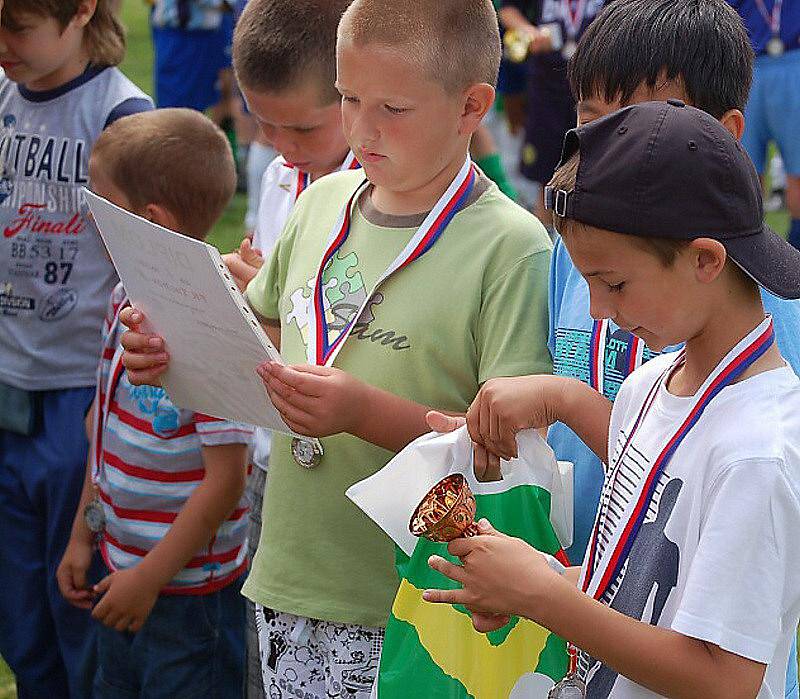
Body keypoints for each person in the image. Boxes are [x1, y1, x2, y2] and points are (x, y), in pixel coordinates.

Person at [119, 1, 555, 695]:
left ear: (472, 105)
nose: (360, 127)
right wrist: (173, 349)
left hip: (408, 597)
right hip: (291, 573)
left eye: (393, 108)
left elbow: (508, 448)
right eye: (349, 98)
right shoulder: (322, 201)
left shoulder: (511, 247)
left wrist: (361, 410)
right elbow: (265, 336)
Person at [424, 99, 800, 698]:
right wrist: (537, 580)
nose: (598, 310)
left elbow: (724, 678)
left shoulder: (757, 453)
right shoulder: (648, 388)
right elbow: (637, 589)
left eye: (615, 283)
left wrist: (542, 597)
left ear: (706, 259)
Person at [56, 108, 251, 698]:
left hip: (190, 602)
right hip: (121, 570)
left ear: (147, 221)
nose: (91, 218)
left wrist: (149, 579)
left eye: (102, 206)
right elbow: (105, 426)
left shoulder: (208, 324)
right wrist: (83, 535)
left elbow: (227, 479)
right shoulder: (125, 300)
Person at [0, 1, 152, 696]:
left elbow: (148, 271)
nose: (3, 45)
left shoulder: (120, 116)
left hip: (80, 399)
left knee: (78, 596)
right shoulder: (3, 98)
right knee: (18, 607)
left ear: (81, 10)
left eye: (18, 26)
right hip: (8, 382)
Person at [224, 1, 356, 694]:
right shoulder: (282, 176)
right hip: (270, 457)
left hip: (346, 477)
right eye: (259, 122)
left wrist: (266, 303)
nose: (280, 145)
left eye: (302, 125)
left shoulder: (378, 192)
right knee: (269, 662)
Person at [498, 0, 606, 220]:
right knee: (547, 180)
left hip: (598, 88)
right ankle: (546, 245)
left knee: (598, 177)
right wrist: (528, 31)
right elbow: (508, 9)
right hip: (547, 89)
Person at [727, 1, 800, 249]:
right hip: (747, 65)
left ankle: (795, 252)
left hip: (794, 64)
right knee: (743, 174)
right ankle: (751, 253)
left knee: (797, 175)